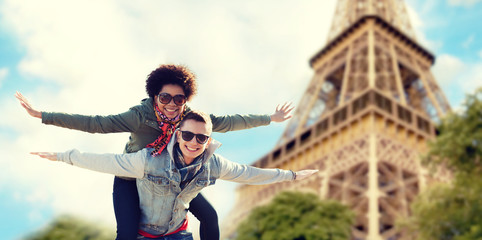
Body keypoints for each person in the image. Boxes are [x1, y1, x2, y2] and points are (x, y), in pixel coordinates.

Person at [16, 64, 294, 240]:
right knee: (126, 234)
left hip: (172, 176)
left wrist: (270, 118)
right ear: (154, 97)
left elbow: (229, 122)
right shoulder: (139, 116)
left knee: (209, 217)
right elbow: (96, 124)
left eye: (179, 99)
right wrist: (42, 115)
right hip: (133, 175)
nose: (172, 104)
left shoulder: (192, 118)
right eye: (165, 98)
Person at [31, 110, 318, 239]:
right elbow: (106, 160)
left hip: (177, 235)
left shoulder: (213, 163)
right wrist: (62, 156)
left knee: (210, 216)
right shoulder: (147, 159)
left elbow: (249, 173)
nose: (194, 142)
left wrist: (291, 175)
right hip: (144, 233)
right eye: (189, 136)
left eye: (201, 138)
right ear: (177, 134)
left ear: (208, 139)